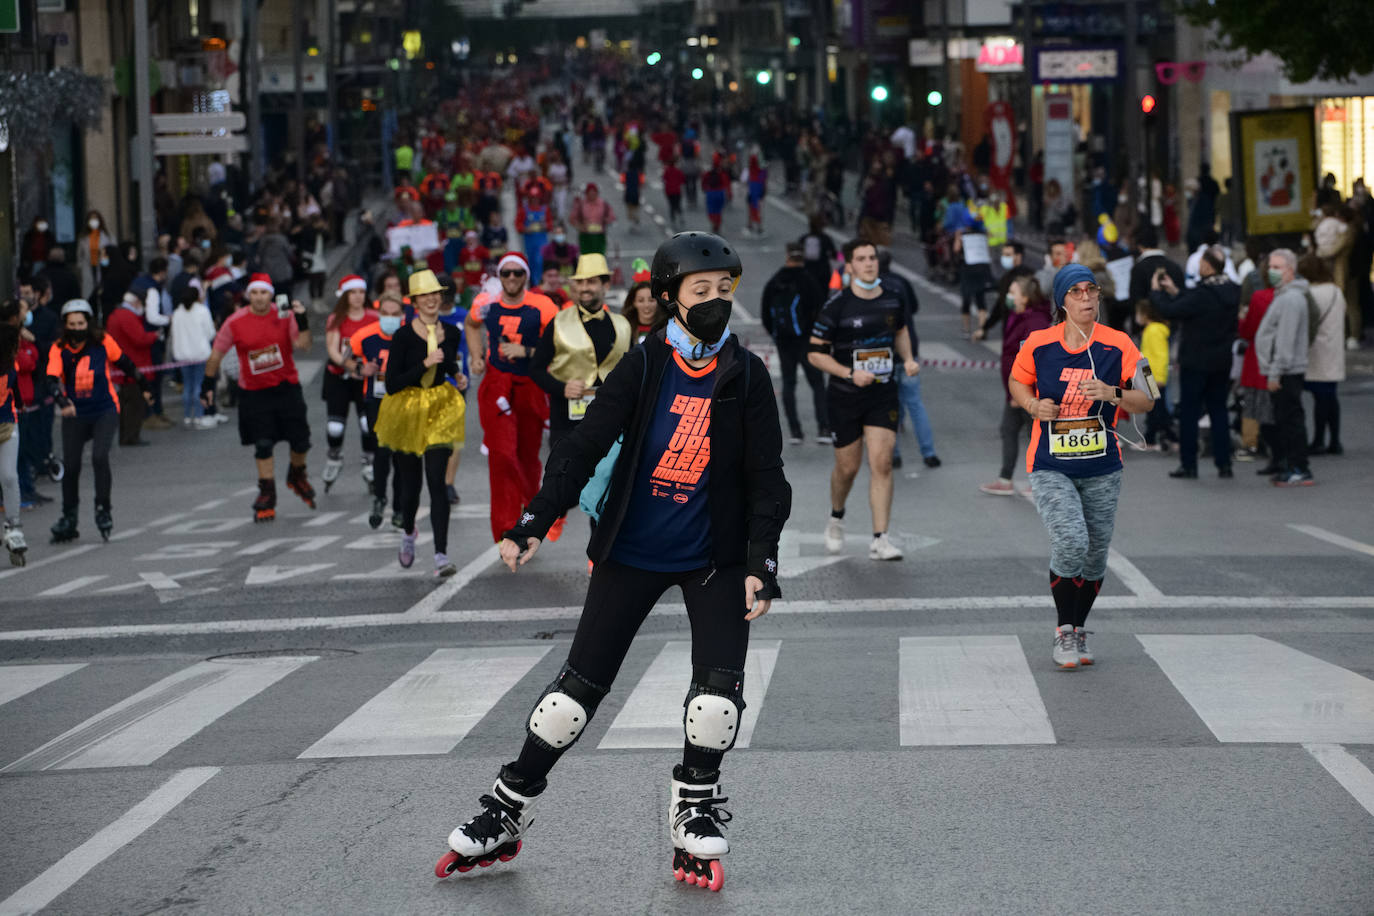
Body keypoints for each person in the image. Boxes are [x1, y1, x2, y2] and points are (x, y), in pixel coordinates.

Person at [437, 231, 790, 893]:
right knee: (570, 700)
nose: (715, 302)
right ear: (667, 299)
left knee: (717, 700)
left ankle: (694, 805)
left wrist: (760, 562)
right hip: (631, 550)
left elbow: (768, 476)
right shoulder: (647, 363)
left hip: (712, 556)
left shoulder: (745, 373)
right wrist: (536, 520)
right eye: (700, 292)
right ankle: (506, 807)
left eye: (723, 291)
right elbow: (586, 441)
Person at [1006, 265, 1155, 669]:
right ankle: (1063, 629)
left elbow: (1148, 399)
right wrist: (1033, 405)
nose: (1087, 298)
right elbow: (1017, 382)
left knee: (1095, 556)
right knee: (1072, 540)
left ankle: (1078, 627)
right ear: (1062, 301)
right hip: (1050, 463)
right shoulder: (1039, 343)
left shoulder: (1119, 344)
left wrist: (1113, 393)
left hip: (1103, 465)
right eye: (1077, 292)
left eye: (1092, 290)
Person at [807, 238, 920, 561]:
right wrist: (847, 373)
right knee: (848, 468)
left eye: (873, 257)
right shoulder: (836, 306)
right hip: (844, 396)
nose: (869, 263)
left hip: (883, 393)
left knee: (882, 463)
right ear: (850, 266)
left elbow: (900, 331)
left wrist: (908, 358)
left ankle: (880, 538)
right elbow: (815, 354)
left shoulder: (893, 298)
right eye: (862, 259)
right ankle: (836, 516)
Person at [201, 273, 317, 521]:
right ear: (248, 295)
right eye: (254, 293)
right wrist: (206, 385)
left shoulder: (284, 316)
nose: (259, 298)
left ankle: (297, 474)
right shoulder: (235, 321)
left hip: (286, 387)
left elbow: (304, 345)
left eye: (263, 293)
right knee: (263, 443)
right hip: (254, 392)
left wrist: (303, 319)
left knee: (301, 442)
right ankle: (266, 491)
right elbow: (216, 354)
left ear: (271, 295)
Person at [374, 270, 467, 575]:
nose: (431, 300)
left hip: (439, 407)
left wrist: (457, 374)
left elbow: (448, 359)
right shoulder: (402, 336)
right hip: (408, 409)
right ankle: (409, 532)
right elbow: (392, 384)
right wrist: (425, 363)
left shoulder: (451, 331)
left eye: (435, 294)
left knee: (437, 481)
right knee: (410, 488)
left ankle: (441, 555)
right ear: (414, 301)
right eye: (424, 296)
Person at [465, 253, 559, 542]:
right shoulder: (487, 302)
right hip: (497, 384)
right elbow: (471, 325)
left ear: (526, 276)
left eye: (518, 273)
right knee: (502, 454)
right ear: (500, 276)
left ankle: (532, 516)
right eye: (506, 273)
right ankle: (507, 527)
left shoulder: (542, 305)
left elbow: (559, 344)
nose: (512, 279)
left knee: (528, 458)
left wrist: (528, 353)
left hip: (530, 385)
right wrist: (477, 356)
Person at [46, 300, 148, 543]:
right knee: (71, 466)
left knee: (99, 457)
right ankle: (69, 517)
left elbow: (126, 364)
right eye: (71, 324)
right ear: (65, 325)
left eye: (81, 323)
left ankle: (103, 509)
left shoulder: (102, 341)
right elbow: (51, 379)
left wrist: (144, 386)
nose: (77, 328)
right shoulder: (58, 348)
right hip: (75, 412)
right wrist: (62, 401)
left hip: (104, 409)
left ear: (88, 323)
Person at [1149, 245, 1239, 478]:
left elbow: (1171, 311)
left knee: (1189, 413)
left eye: (1201, 263)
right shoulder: (1231, 291)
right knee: (1218, 410)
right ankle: (1224, 463)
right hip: (1221, 360)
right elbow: (1190, 304)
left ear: (1207, 266)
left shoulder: (1202, 295)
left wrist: (1157, 292)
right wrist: (1175, 290)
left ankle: (1188, 464)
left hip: (1196, 361)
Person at [530, 253, 631, 454]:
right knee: (565, 482)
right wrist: (562, 387)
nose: (584, 288)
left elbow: (632, 375)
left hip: (610, 422)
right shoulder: (559, 323)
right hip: (567, 424)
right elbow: (536, 368)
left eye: (591, 282)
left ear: (606, 286)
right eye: (580, 282)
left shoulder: (622, 326)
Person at [980, 276, 1053, 495]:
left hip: (1026, 391)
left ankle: (1038, 479)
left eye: (1013, 292)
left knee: (1033, 434)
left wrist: (1021, 390)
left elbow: (1035, 360)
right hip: (1016, 389)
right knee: (1010, 430)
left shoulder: (1034, 323)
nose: (1008, 297)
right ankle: (1006, 479)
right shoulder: (1017, 316)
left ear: (1025, 297)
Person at [1255, 249, 1314, 487]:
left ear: (1290, 270)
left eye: (1277, 267)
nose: (1272, 271)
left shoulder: (1290, 299)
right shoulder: (1286, 295)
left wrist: (1275, 371)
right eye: (1271, 266)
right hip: (1285, 369)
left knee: (1290, 421)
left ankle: (1298, 467)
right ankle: (1294, 465)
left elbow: (1285, 340)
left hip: (1286, 370)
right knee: (1287, 419)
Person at [761, 243, 828, 444]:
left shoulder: (774, 281)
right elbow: (821, 310)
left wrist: (776, 335)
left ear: (787, 256)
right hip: (807, 340)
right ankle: (823, 428)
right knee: (817, 384)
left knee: (789, 383)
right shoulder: (808, 280)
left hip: (784, 341)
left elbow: (765, 314)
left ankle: (795, 431)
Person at [880, 250, 941, 470]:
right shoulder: (902, 282)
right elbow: (912, 308)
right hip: (908, 351)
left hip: (884, 354)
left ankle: (893, 454)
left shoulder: (872, 287)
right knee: (915, 404)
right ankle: (929, 453)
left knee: (889, 406)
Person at [321, 275, 380, 493]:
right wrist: (352, 366)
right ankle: (334, 455)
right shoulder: (336, 318)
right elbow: (332, 350)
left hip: (366, 377)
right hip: (339, 377)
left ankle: (369, 461)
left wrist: (370, 367)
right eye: (352, 292)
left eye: (361, 292)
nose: (357, 297)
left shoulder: (374, 317)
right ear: (345, 295)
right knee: (335, 427)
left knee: (367, 424)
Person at [351, 293, 405, 529]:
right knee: (382, 451)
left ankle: (400, 507)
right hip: (376, 400)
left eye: (395, 314)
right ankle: (380, 498)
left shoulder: (410, 335)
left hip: (404, 402)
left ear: (402, 316)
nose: (390, 318)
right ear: (379, 313)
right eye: (386, 314)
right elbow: (345, 361)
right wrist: (361, 368)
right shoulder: (364, 336)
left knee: (401, 455)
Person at [1297, 254, 1345, 456]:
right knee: (1330, 397)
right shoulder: (1335, 291)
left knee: (1319, 398)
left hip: (1315, 351)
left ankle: (1318, 439)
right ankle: (1334, 439)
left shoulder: (1309, 293)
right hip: (1333, 348)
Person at [169, 283, 217, 429]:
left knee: (187, 386)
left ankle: (186, 416)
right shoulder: (203, 311)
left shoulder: (177, 313)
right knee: (199, 385)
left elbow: (173, 334)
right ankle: (198, 416)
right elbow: (210, 333)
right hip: (200, 354)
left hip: (182, 355)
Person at [0, 321, 27, 564]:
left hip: (7, 424)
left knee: (8, 476)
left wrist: (20, 404)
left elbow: (14, 389)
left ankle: (14, 526)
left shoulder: (11, 365)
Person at [974, 241, 1035, 341]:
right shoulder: (1006, 277)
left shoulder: (1028, 277)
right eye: (1003, 255)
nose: (1004, 258)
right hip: (1009, 330)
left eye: (1008, 255)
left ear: (1018, 256)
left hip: (1023, 332)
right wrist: (985, 328)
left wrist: (985, 328)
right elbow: (1000, 306)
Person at [1134, 299, 1174, 451]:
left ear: (1146, 314)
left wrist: (1159, 378)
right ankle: (1161, 437)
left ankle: (1153, 438)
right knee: (1157, 408)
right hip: (1150, 375)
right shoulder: (1152, 329)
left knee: (1156, 409)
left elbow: (1160, 355)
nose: (1136, 317)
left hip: (1153, 377)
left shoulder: (1154, 330)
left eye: (1138, 313)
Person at [569, 182, 614, 256]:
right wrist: (580, 227)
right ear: (586, 194)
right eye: (590, 193)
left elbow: (611, 217)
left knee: (599, 258)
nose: (592, 195)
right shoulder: (581, 204)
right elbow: (572, 219)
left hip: (599, 236)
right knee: (586, 259)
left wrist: (605, 221)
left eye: (594, 193)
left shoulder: (603, 204)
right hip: (585, 236)